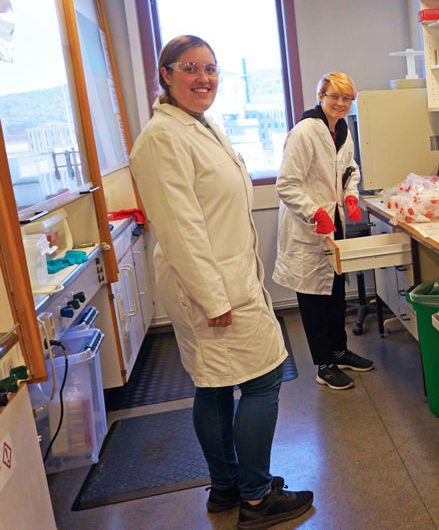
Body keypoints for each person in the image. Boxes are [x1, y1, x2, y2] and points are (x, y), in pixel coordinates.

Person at [129, 35, 313, 529]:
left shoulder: (197, 125)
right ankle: (255, 499)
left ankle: (227, 486)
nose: (204, 78)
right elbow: (180, 227)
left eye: (211, 68)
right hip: (210, 285)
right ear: (165, 74)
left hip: (222, 275)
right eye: (191, 67)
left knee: (212, 386)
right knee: (263, 379)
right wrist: (214, 297)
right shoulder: (162, 138)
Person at [273, 72, 375, 391]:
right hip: (308, 227)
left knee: (335, 292)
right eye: (334, 97)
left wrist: (351, 196)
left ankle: (340, 351)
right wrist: (315, 211)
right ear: (321, 97)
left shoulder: (342, 131)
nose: (341, 104)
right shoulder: (304, 132)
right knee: (314, 298)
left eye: (347, 98)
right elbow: (286, 184)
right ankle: (324, 365)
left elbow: (349, 170)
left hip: (334, 222)